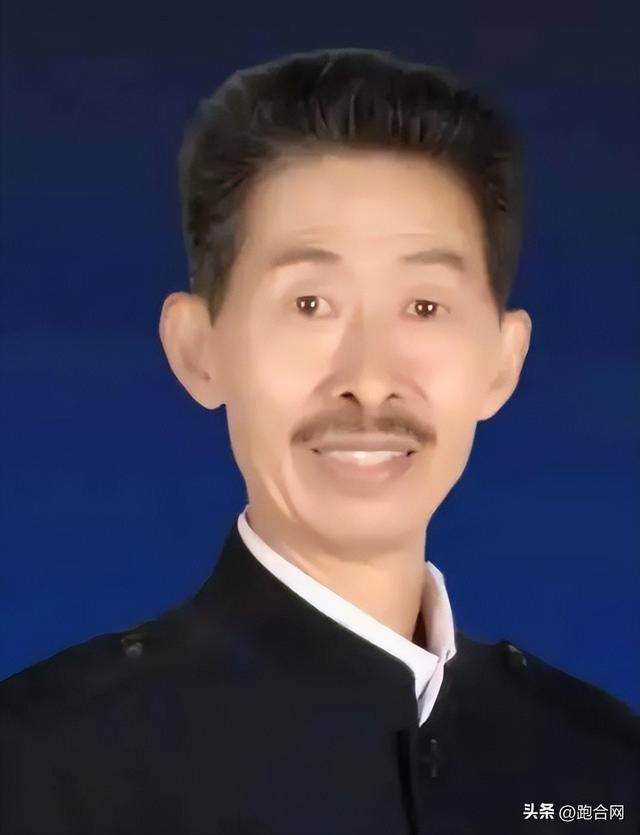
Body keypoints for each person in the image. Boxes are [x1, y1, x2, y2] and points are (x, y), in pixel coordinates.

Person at [1, 47, 637, 835]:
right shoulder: (41, 765)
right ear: (198, 350)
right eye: (309, 304)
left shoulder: (602, 767)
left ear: (503, 364)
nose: (368, 380)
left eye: (425, 307)